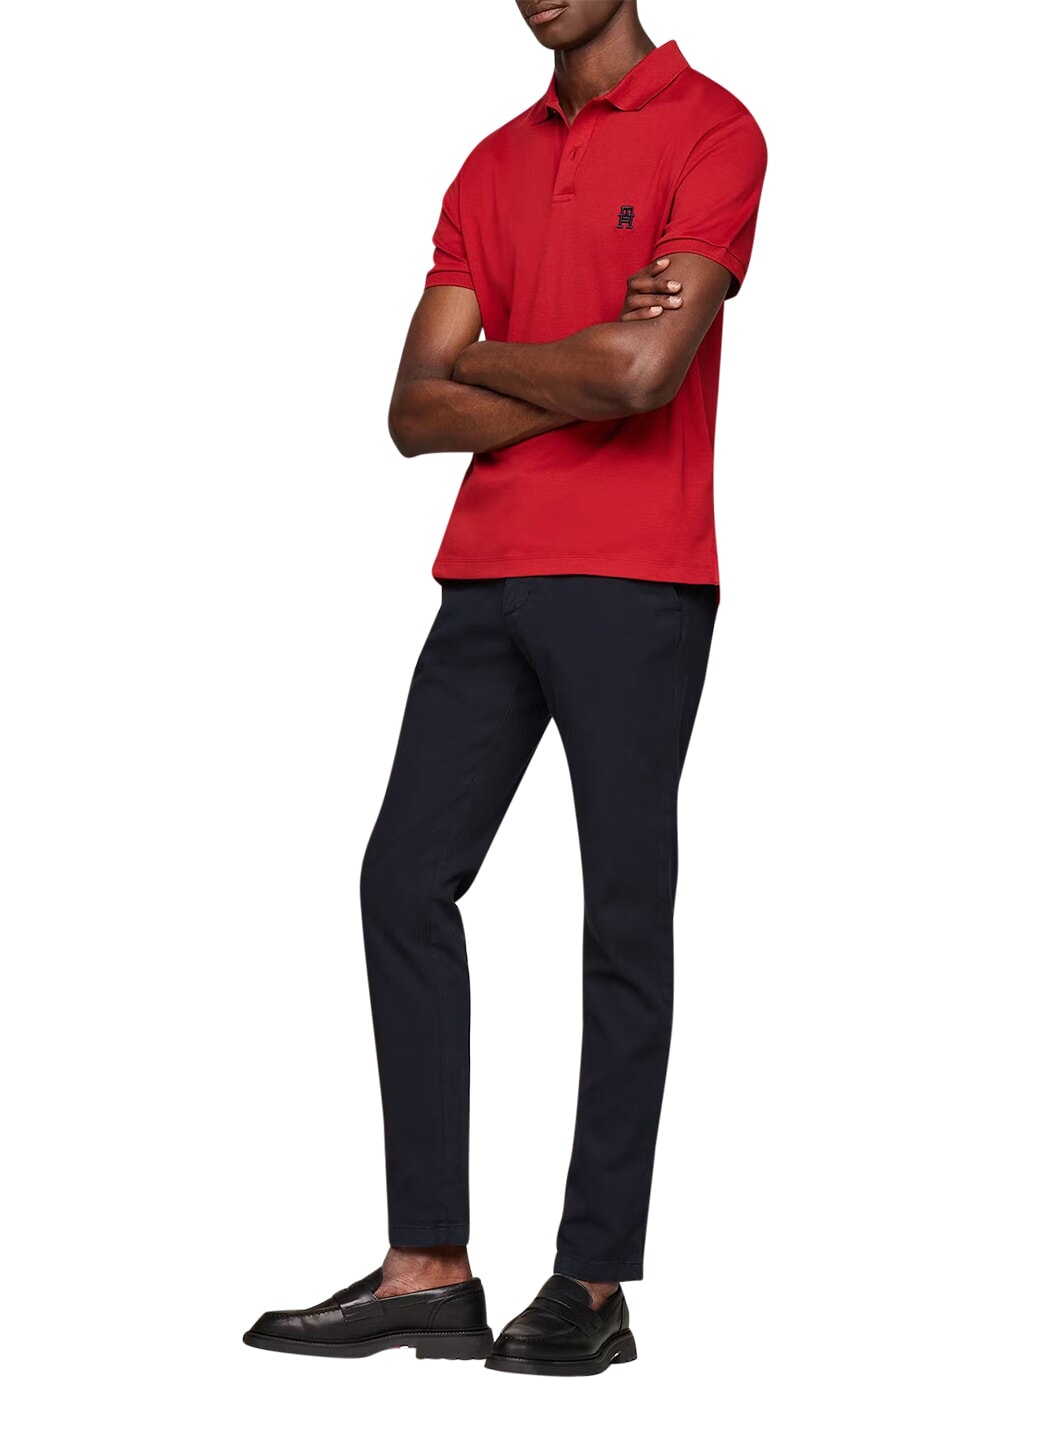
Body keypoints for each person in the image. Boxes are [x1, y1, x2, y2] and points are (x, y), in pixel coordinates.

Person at [244, 0, 767, 1377]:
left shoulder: (713, 132)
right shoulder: (488, 164)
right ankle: (429, 1269)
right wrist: (573, 365)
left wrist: (490, 362)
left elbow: (648, 372)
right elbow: (412, 411)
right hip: (484, 575)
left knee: (623, 913)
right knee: (401, 882)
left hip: (638, 575)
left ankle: (591, 1282)